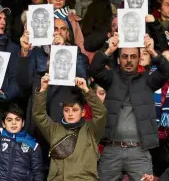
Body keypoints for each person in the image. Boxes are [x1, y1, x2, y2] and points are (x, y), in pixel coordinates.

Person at [90, 34, 169, 181]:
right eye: (125, 56)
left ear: (139, 59)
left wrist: (152, 51)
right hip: (111, 150)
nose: (129, 60)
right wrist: (109, 50)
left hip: (139, 151)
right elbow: (94, 69)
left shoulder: (148, 80)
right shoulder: (111, 78)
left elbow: (166, 71)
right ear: (119, 60)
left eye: (133, 56)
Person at [33, 74, 107, 180]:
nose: (70, 114)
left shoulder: (92, 130)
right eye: (66, 110)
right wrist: (43, 89)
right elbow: (39, 115)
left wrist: (86, 90)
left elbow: (101, 113)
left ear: (83, 112)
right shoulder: (54, 129)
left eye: (75, 110)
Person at [0, 87, 45, 181]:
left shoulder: (33, 145)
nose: (14, 123)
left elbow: (38, 173)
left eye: (17, 120)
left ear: (23, 123)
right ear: (3, 124)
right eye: (9, 120)